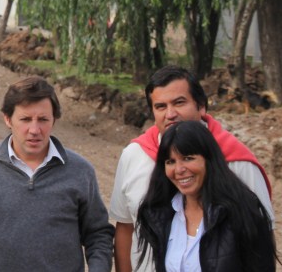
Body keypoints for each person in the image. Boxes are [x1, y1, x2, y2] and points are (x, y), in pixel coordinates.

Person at [110, 65, 273, 272]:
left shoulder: (239, 163)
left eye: (179, 103)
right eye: (160, 106)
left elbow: (261, 242)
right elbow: (125, 227)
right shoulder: (134, 156)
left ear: (201, 106)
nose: (170, 114)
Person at [0, 76, 114, 272]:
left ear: (54, 119)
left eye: (43, 119)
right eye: (25, 119)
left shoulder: (80, 170)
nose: (34, 130)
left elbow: (98, 235)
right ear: (8, 119)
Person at [135, 121, 276, 272]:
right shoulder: (160, 214)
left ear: (209, 159)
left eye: (188, 158)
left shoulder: (241, 213)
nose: (179, 169)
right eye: (170, 162)